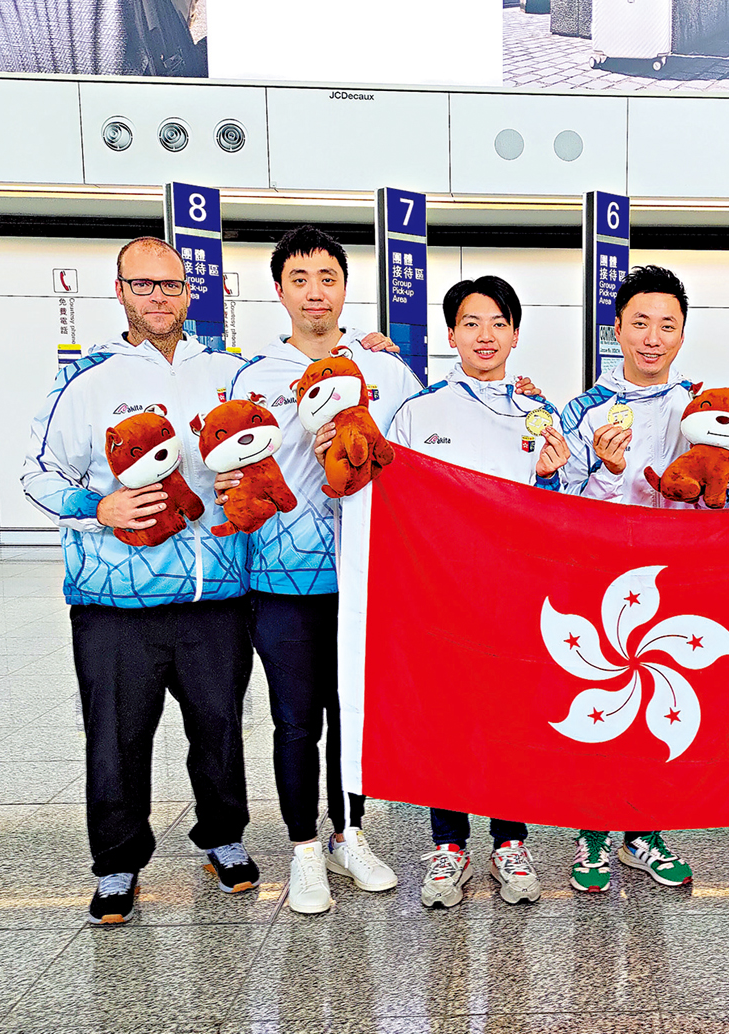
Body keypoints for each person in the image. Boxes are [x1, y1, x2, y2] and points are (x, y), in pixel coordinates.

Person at [21, 236, 256, 926]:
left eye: (172, 285)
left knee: (219, 728)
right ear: (120, 291)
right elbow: (37, 474)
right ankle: (118, 863)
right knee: (118, 737)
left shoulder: (227, 372)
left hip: (217, 593)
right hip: (114, 604)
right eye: (144, 285)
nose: (160, 297)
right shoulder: (85, 382)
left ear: (191, 292)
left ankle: (223, 838)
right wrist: (96, 507)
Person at [223, 226, 417, 914]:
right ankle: (305, 850)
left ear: (345, 288)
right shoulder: (253, 377)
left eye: (327, 278)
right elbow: (223, 467)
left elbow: (424, 458)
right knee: (296, 720)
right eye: (300, 278)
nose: (315, 291)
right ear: (280, 291)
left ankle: (350, 836)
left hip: (368, 580)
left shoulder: (387, 373)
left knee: (355, 719)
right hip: (283, 581)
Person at [389, 274, 571, 908]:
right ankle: (447, 846)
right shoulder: (418, 412)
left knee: (510, 719)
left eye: (498, 323)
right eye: (471, 322)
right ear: (450, 335)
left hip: (516, 597)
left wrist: (550, 477)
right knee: (447, 719)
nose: (485, 335)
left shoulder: (539, 414)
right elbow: (395, 504)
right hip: (442, 596)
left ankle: (509, 841)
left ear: (516, 334)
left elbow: (562, 513)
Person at [559, 264, 701, 893]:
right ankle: (592, 833)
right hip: (599, 573)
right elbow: (557, 497)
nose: (652, 337)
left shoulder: (702, 406)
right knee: (603, 703)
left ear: (681, 335)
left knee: (662, 705)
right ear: (616, 329)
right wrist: (610, 471)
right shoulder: (581, 409)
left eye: (666, 325)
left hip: (678, 576)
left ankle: (646, 833)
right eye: (640, 322)